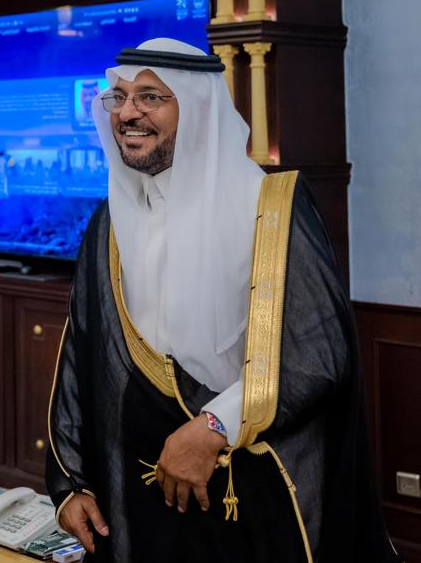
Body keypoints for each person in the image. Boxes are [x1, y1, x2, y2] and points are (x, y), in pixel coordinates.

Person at [47, 37, 399, 562]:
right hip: (137, 493)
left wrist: (213, 426)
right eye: (118, 98)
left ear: (200, 109)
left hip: (245, 481)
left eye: (150, 97)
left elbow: (318, 354)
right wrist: (71, 483)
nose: (127, 113)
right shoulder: (108, 224)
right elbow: (81, 355)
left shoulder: (269, 208)